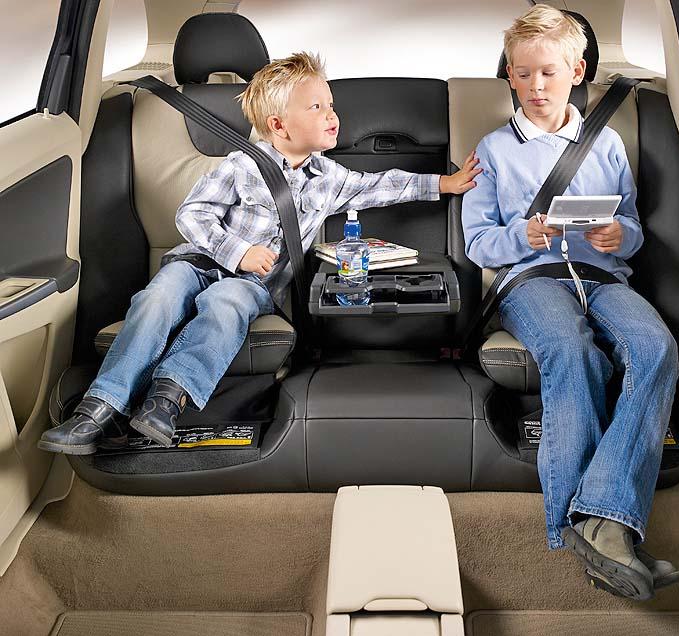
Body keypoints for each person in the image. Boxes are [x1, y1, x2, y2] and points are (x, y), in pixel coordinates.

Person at [39, 51, 481, 454]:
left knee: (226, 304)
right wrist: (238, 251)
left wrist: (443, 183)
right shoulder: (242, 165)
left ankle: (166, 401)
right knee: (157, 298)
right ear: (279, 126)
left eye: (330, 105)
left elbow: (381, 186)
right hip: (198, 262)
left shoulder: (329, 178)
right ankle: (97, 409)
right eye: (316, 108)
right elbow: (192, 214)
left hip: (253, 284)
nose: (332, 115)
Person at [462, 5, 679, 600]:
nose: (535, 87)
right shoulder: (493, 150)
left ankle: (601, 520)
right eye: (522, 74)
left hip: (603, 277)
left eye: (548, 73)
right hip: (532, 280)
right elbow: (478, 243)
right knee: (570, 349)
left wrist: (620, 236)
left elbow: (631, 223)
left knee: (655, 347)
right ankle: (590, 527)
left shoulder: (605, 144)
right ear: (509, 75)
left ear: (576, 72)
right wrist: (523, 236)